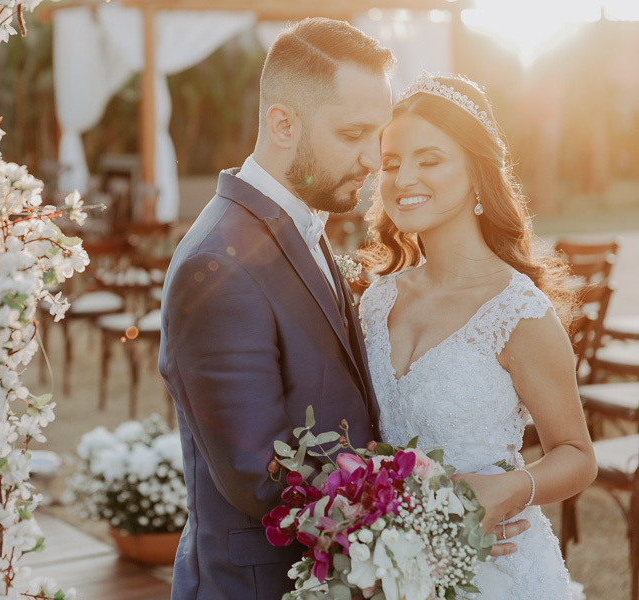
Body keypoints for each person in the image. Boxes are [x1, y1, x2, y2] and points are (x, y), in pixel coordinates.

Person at [158, 18, 392, 599]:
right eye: (354, 133)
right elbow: (261, 474)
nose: (373, 160)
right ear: (282, 123)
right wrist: (406, 510)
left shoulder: (299, 221)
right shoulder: (218, 267)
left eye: (378, 135)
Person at [359, 72, 597, 599]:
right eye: (391, 163)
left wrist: (511, 488)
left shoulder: (518, 312)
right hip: (394, 568)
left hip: (497, 571)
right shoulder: (376, 301)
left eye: (430, 159)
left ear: (476, 174)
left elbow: (577, 454)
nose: (402, 178)